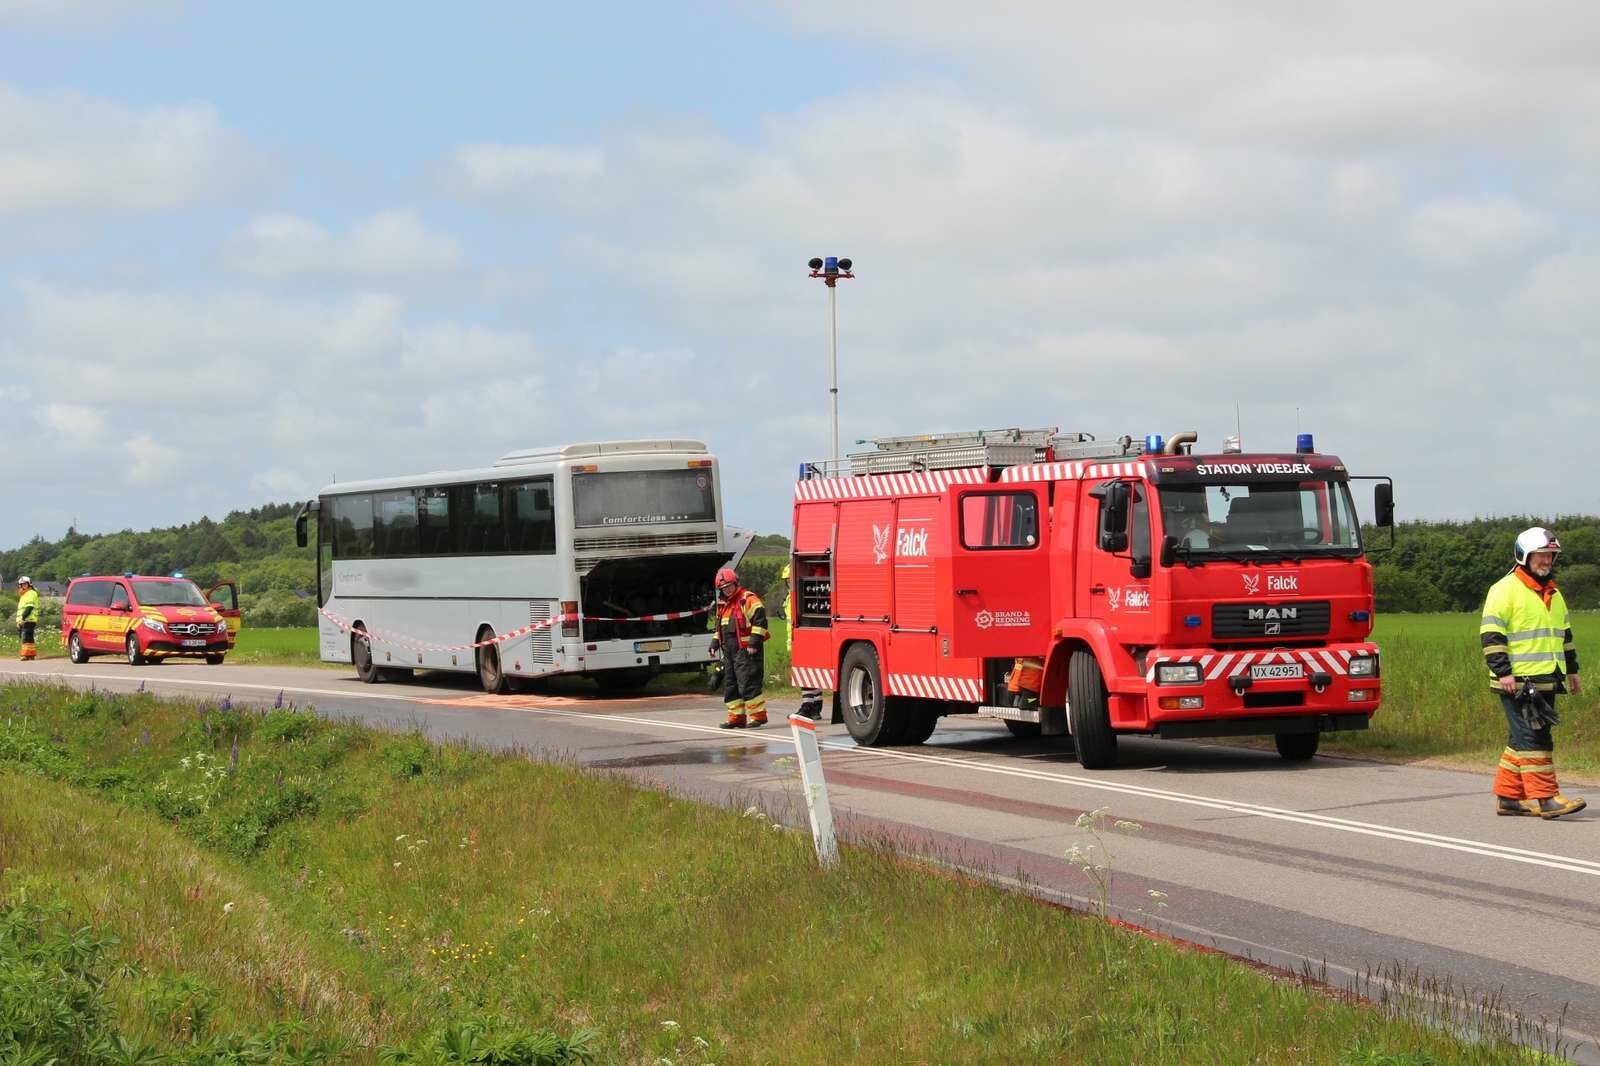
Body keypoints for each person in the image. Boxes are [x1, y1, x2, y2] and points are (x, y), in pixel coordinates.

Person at [1480, 528, 1585, 819]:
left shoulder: (1554, 592)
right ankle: (1546, 798)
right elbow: (1491, 636)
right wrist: (1503, 673)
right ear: (1524, 556)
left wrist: (1572, 671)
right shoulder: (1503, 590)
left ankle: (1508, 799)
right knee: (1535, 739)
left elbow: (1565, 636)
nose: (1547, 560)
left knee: (1521, 740)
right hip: (1518, 681)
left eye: (1551, 555)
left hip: (1549, 678)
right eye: (1541, 554)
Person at [709, 567, 769, 729]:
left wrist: (754, 643)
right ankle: (736, 718)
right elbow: (720, 629)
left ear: (736, 583)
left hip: (746, 651)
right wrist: (714, 643)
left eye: (729, 586)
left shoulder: (747, 598)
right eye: (723, 588)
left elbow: (760, 621)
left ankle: (758, 716)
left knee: (748, 683)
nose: (727, 590)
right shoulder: (722, 605)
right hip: (729, 652)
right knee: (730, 685)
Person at [784, 562, 824, 720]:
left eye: (790, 580)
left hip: (802, 640)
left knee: (805, 674)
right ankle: (816, 707)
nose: (789, 583)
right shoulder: (792, 596)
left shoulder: (797, 596)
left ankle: (807, 706)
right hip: (799, 640)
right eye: (787, 581)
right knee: (812, 674)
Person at [14, 576, 39, 661]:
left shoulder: (31, 593)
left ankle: (25, 655)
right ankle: (31, 655)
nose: (23, 586)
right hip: (26, 619)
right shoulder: (24, 594)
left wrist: (22, 619)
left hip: (28, 619)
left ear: (29, 584)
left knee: (25, 637)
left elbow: (29, 607)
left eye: (25, 584)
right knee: (28, 638)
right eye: (21, 584)